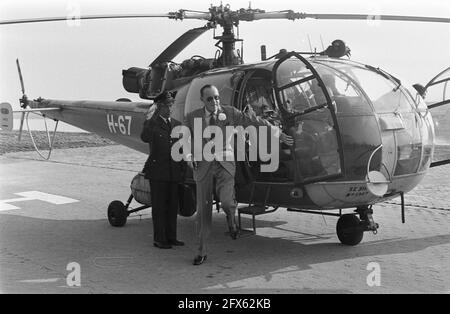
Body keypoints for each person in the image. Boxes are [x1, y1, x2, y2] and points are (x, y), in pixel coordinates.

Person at [184, 84, 293, 265]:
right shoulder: (192, 117)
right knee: (203, 212)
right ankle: (201, 251)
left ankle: (231, 218)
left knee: (227, 202)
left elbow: (254, 121)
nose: (215, 102)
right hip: (203, 167)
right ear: (202, 100)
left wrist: (278, 133)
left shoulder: (230, 113)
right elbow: (185, 140)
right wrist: (188, 157)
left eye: (217, 97)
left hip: (225, 165)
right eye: (210, 98)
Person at [141, 91, 185, 249]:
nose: (170, 108)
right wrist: (150, 118)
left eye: (171, 104)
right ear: (159, 107)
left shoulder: (177, 124)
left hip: (173, 172)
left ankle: (172, 237)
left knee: (172, 207)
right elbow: (145, 137)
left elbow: (181, 149)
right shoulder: (152, 124)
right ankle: (159, 239)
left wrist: (183, 171)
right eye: (167, 105)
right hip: (158, 172)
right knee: (159, 208)